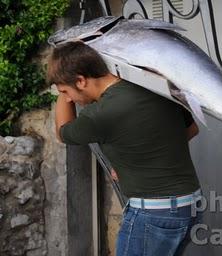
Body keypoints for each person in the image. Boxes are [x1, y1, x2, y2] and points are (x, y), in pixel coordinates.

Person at [47, 41, 202, 256]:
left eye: (66, 91)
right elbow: (191, 129)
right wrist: (136, 162)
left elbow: (62, 131)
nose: (69, 98)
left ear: (81, 80)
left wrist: (61, 96)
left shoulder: (100, 114)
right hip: (190, 206)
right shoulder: (153, 85)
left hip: (154, 215)